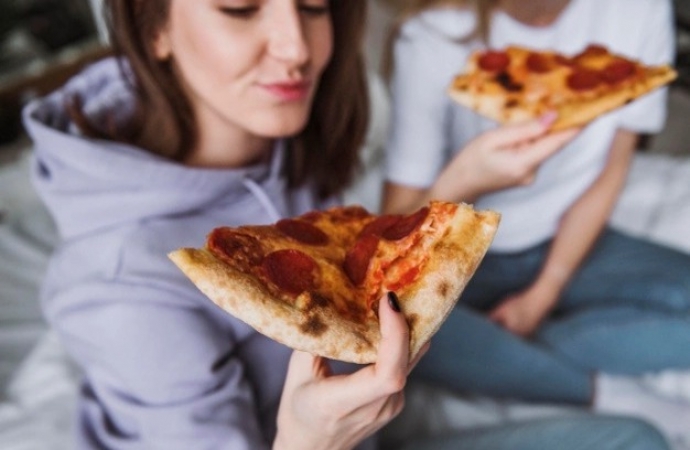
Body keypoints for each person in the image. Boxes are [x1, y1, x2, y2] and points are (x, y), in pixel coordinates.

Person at [21, 0, 673, 448]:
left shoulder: (265, 130)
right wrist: (309, 442)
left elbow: (364, 278)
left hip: (367, 415)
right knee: (637, 438)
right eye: (240, 6)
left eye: (312, 4)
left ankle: (588, 375)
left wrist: (462, 180)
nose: (297, 48)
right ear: (153, 25)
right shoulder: (121, 282)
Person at [383, 0, 690, 443]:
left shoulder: (639, 8)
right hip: (458, 249)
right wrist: (467, 179)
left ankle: (529, 352)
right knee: (395, 330)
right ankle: (593, 390)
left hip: (572, 236)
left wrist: (546, 291)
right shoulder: (433, 32)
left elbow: (613, 167)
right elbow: (393, 232)